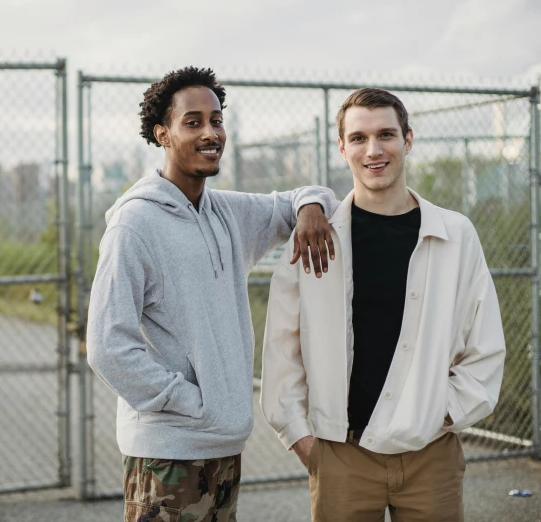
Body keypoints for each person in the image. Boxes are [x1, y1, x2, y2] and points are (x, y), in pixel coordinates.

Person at [86, 66, 337, 521]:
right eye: (193, 122)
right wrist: (191, 404)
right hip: (167, 455)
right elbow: (107, 346)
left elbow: (301, 195)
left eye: (216, 120)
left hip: (223, 447)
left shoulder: (227, 212)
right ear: (163, 134)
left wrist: (312, 209)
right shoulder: (134, 224)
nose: (210, 133)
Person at [260, 87, 507, 521]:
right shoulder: (316, 238)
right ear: (342, 148)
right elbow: (283, 350)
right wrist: (303, 440)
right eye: (358, 138)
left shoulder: (456, 234)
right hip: (341, 454)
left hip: (430, 453)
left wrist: (440, 413)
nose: (373, 150)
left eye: (386, 135)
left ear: (408, 140)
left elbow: (484, 344)